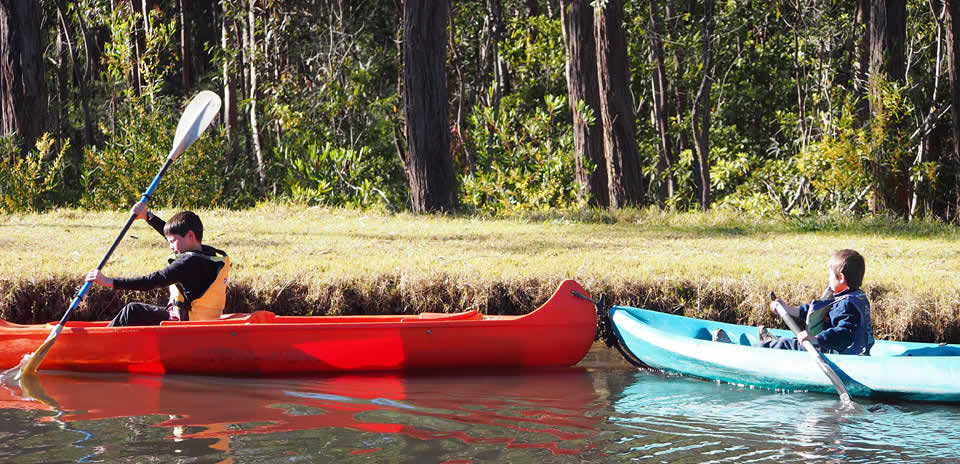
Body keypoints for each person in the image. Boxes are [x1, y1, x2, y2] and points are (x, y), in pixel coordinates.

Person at [85, 202, 230, 327]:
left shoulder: (186, 263)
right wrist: (148, 216)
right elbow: (175, 234)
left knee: (133, 310)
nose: (170, 246)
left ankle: (97, 346)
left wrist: (108, 281)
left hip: (185, 324)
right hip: (205, 322)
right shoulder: (209, 255)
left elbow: (150, 281)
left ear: (191, 236)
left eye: (172, 242)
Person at [759, 249, 874, 355]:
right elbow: (817, 312)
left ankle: (760, 350)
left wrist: (817, 339)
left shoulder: (847, 304)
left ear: (841, 277)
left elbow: (843, 334)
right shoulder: (852, 296)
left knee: (784, 343)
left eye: (830, 275)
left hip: (835, 352)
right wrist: (788, 309)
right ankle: (772, 341)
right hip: (833, 347)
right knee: (794, 341)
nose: (828, 279)